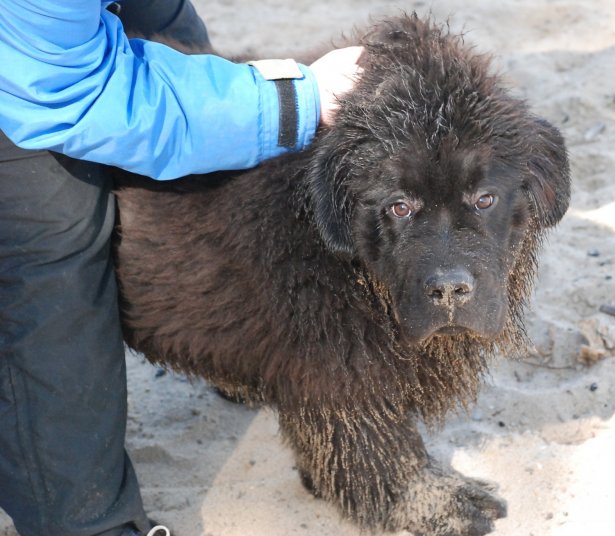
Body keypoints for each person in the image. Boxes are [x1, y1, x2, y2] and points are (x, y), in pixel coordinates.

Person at [0, 1, 362, 535]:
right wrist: (292, 99)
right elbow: (64, 91)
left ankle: (230, 352)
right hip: (34, 65)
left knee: (174, 38)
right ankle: (85, 522)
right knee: (51, 234)